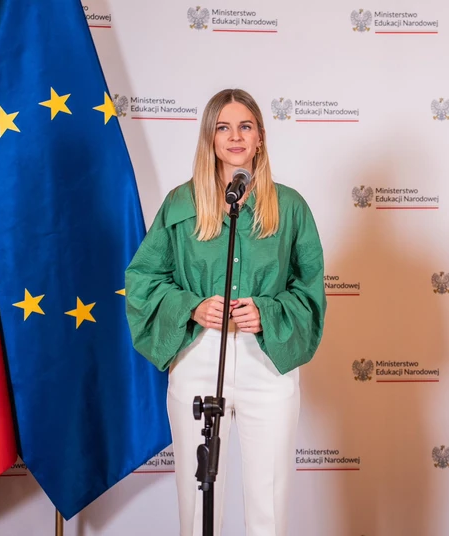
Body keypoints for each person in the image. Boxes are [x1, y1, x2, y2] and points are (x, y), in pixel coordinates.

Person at [125, 88, 326, 536]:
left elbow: (310, 289)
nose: (235, 136)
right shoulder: (181, 204)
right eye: (223, 127)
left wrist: (268, 312)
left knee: (268, 504)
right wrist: (192, 306)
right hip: (198, 357)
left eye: (245, 126)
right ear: (210, 138)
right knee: (198, 500)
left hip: (266, 360)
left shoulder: (289, 207)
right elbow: (143, 279)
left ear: (260, 136)